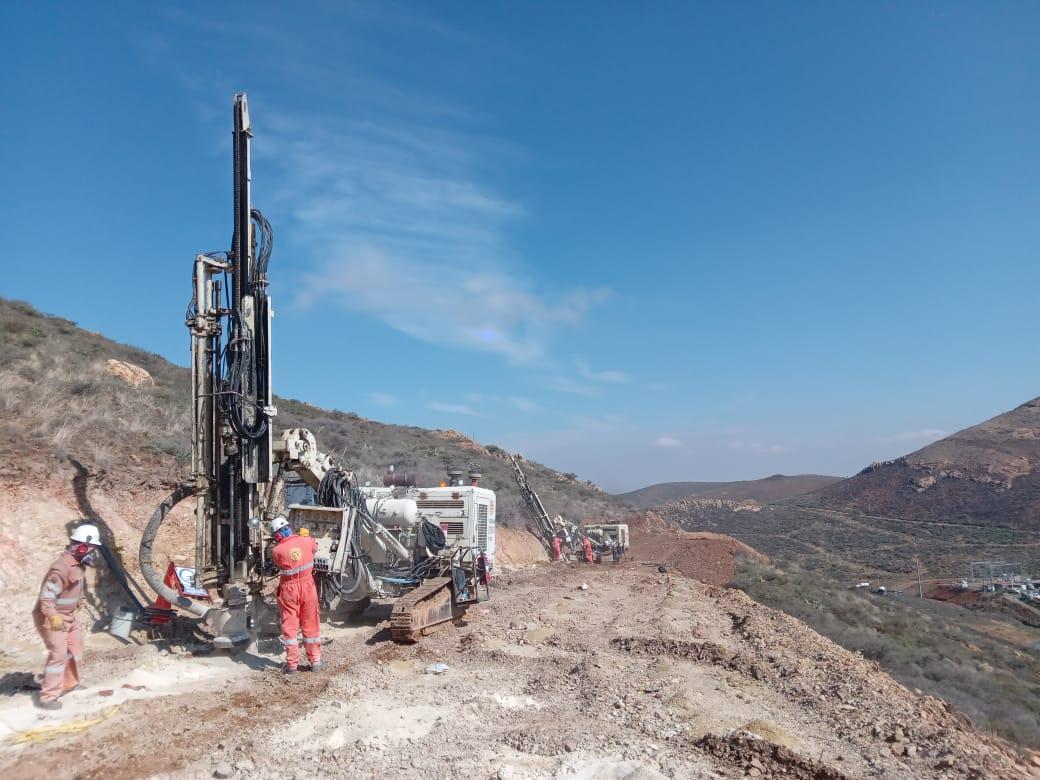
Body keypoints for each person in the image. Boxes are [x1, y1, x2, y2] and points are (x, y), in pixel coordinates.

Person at [33, 523, 101, 710]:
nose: (93, 552)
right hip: (52, 616)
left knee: (75, 648)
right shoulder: (61, 568)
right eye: (92, 548)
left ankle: (68, 684)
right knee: (58, 655)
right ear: (82, 547)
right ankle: (48, 697)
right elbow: (46, 598)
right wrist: (53, 617)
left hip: (68, 615)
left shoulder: (78, 565)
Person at [270, 516, 322, 674]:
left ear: (277, 535)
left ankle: (292, 665)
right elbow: (315, 547)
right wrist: (305, 536)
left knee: (290, 626)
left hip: (289, 590)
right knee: (311, 623)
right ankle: (315, 662)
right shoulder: (306, 540)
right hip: (308, 587)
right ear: (289, 528)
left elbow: (278, 563)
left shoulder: (277, 551)